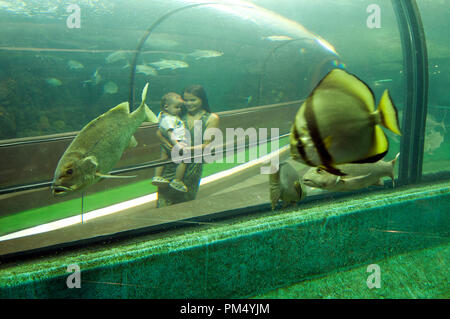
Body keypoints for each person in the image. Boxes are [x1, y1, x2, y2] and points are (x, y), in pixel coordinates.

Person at [156, 85, 220, 207]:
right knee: (164, 201)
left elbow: (207, 146)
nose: (189, 103)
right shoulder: (178, 113)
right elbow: (160, 130)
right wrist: (164, 142)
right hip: (171, 163)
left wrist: (185, 149)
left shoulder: (211, 118)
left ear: (202, 99)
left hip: (192, 166)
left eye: (193, 100)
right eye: (186, 100)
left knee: (184, 202)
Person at [152, 92, 189, 192]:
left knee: (163, 159)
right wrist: (177, 145)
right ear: (166, 107)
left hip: (168, 143)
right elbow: (171, 134)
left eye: (180, 107)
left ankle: (157, 176)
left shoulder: (163, 116)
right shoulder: (169, 119)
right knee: (184, 160)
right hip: (176, 142)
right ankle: (177, 180)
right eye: (176, 107)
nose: (179, 109)